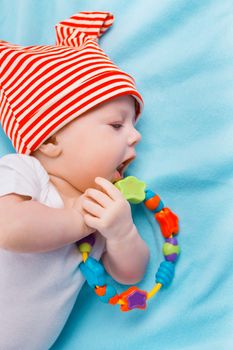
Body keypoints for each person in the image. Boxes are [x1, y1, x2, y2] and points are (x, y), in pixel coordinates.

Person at [0, 11, 149, 350]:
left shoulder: (102, 215)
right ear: (50, 140)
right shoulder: (23, 172)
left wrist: (122, 232)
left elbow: (129, 274)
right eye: (116, 125)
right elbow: (9, 229)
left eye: (134, 126)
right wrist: (79, 218)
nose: (136, 137)